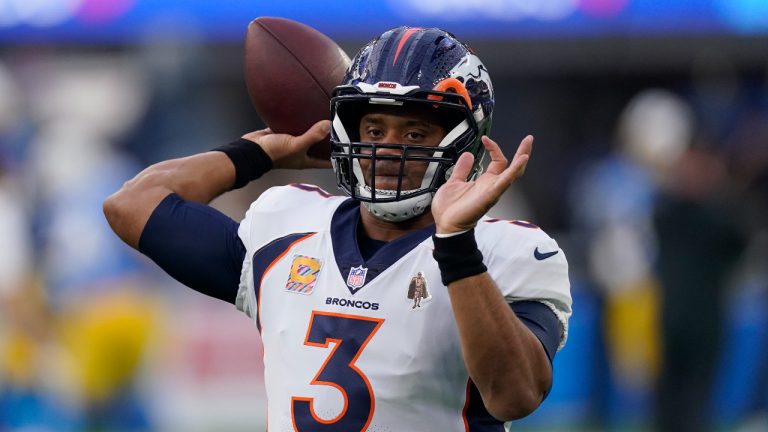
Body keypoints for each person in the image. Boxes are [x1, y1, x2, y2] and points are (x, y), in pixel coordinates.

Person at [104, 26, 572, 431]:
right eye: (374, 130)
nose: (388, 149)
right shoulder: (288, 224)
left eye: (413, 134)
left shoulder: (509, 250)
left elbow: (515, 396)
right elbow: (132, 204)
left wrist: (455, 246)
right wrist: (259, 154)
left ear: (464, 140)